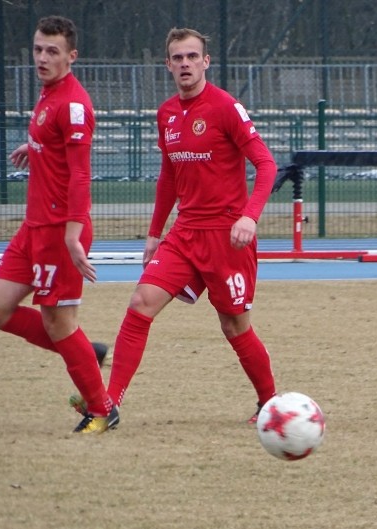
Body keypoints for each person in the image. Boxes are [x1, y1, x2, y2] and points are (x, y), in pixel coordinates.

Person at [104, 27, 278, 421]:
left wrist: (249, 216)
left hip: (227, 237)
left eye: (192, 56)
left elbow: (266, 164)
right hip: (184, 233)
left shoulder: (225, 107)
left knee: (234, 326)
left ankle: (268, 401)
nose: (185, 64)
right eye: (178, 58)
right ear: (168, 64)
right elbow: (168, 176)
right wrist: (154, 233)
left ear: (205, 62)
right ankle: (109, 404)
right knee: (140, 303)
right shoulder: (166, 113)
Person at [0, 16, 116, 434]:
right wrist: (36, 147)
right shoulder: (48, 93)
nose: (42, 57)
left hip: (61, 229)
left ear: (71, 56)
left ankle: (102, 410)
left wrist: (74, 233)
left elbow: (80, 174)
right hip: (34, 226)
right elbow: (56, 145)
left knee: (59, 322)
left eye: (52, 51)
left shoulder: (74, 105)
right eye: (38, 49)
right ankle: (84, 351)